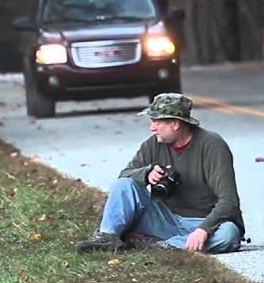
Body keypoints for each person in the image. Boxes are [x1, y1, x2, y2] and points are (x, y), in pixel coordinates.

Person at [75, 93, 244, 253]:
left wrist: (203, 230)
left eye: (156, 121)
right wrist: (146, 174)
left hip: (204, 221)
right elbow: (124, 177)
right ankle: (107, 236)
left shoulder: (212, 145)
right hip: (164, 219)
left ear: (175, 124)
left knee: (227, 235)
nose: (151, 128)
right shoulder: (153, 144)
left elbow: (229, 201)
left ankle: (161, 244)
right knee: (124, 184)